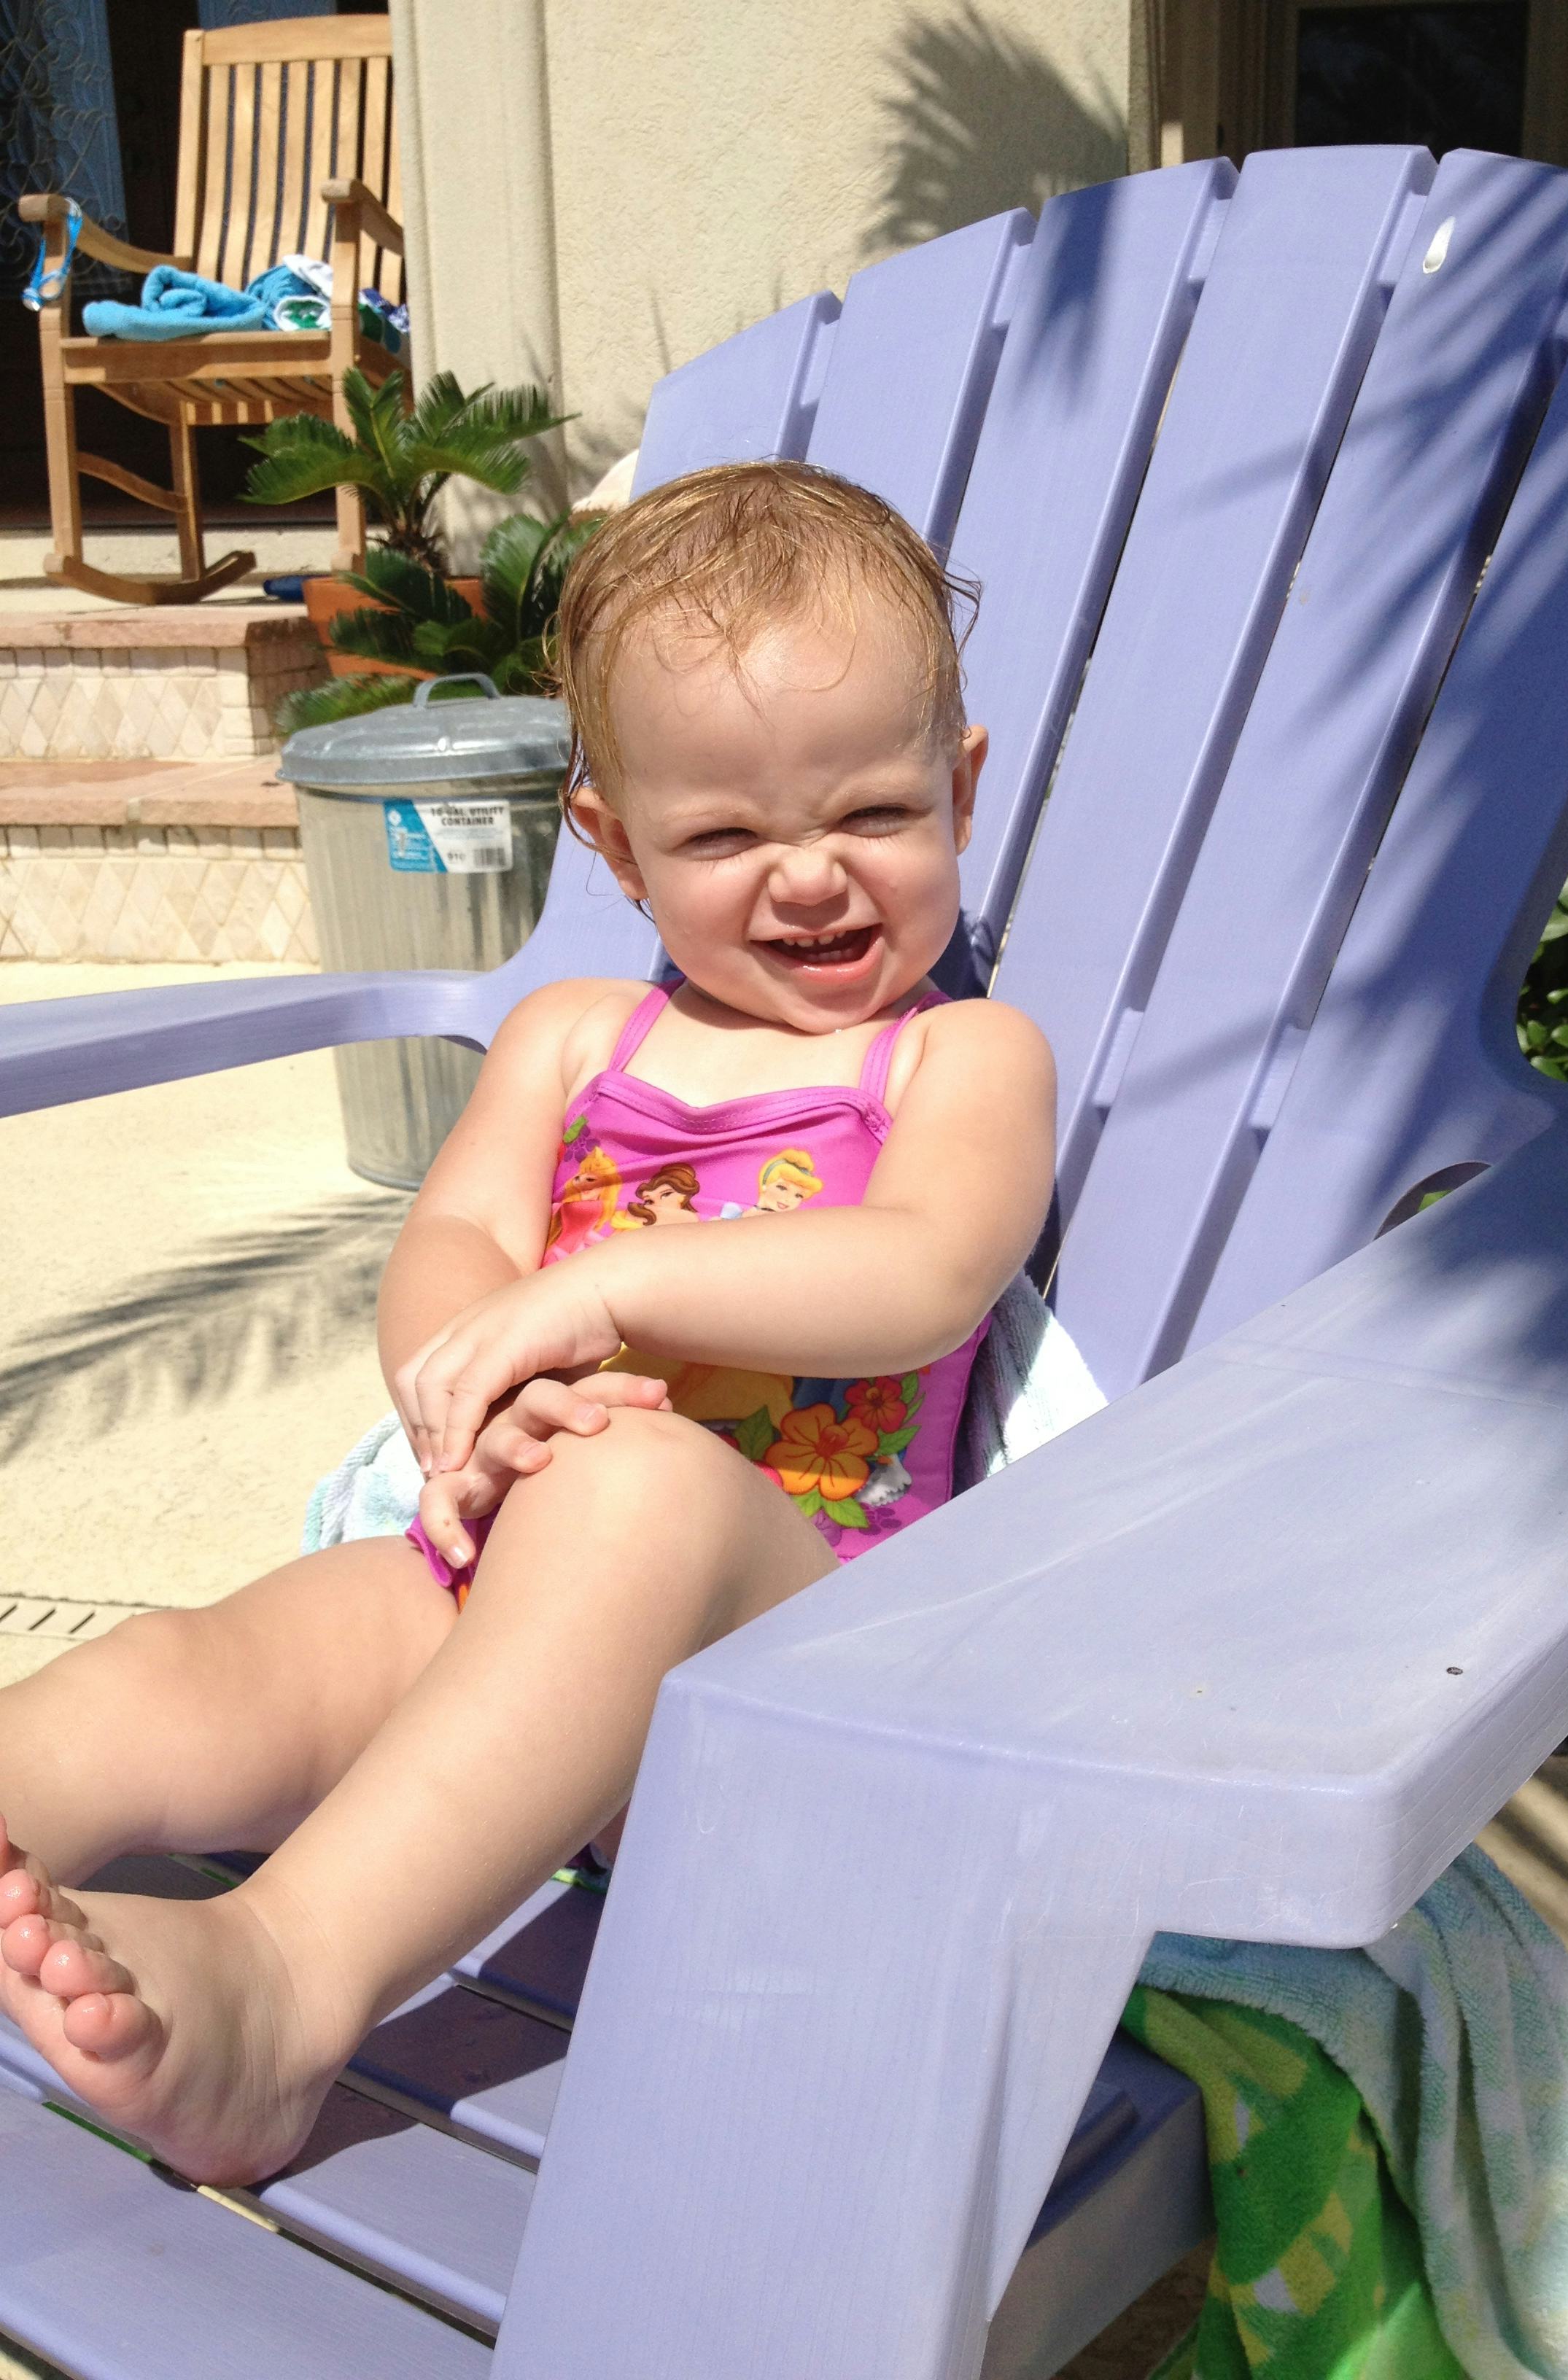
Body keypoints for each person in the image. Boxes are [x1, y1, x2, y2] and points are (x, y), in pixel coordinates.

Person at [0, 459, 1057, 2187]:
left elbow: (927, 1270)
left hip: (792, 1659)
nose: (809, 879)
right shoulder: (572, 1037)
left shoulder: (955, 1056)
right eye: (724, 838)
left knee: (636, 1489)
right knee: (182, 1671)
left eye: (873, 814)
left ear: (959, 786)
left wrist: (610, 1288)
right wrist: (466, 1381)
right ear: (615, 844)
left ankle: (284, 1988)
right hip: (511, 1619)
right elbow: (455, 1243)